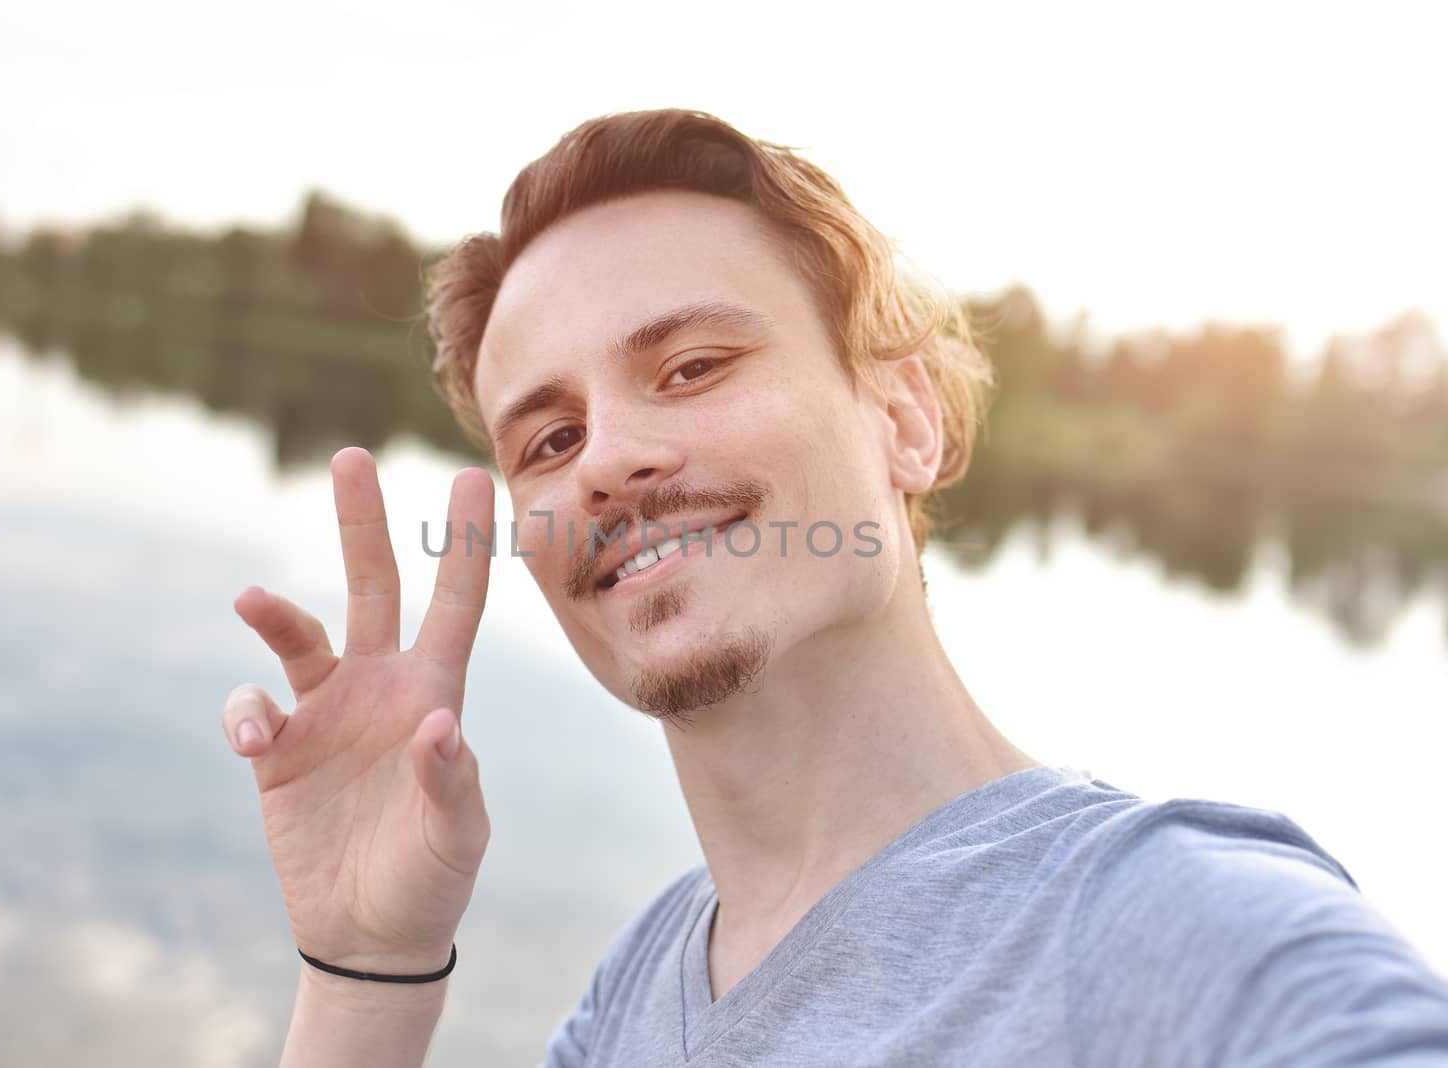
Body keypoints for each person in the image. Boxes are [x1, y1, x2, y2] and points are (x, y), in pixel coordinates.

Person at [221, 109, 1448, 1067]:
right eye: (546, 440)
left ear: (905, 420)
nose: (604, 458)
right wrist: (364, 972)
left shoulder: (1173, 930)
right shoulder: (638, 991)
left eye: (692, 365)